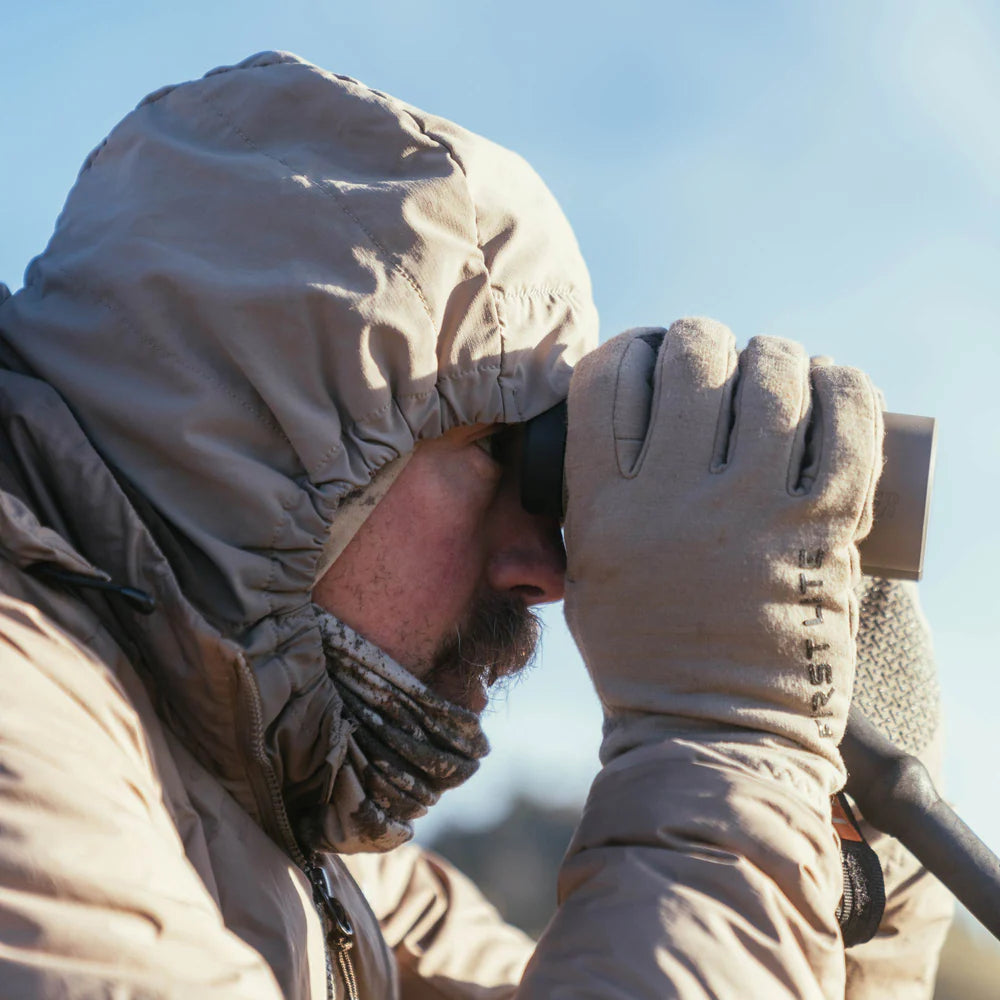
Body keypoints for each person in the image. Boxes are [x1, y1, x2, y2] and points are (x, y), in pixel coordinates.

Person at [0, 51, 950, 999]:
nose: (544, 570)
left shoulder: (309, 841)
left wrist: (845, 857)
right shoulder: (27, 722)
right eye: (502, 453)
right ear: (239, 429)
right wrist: (726, 733)